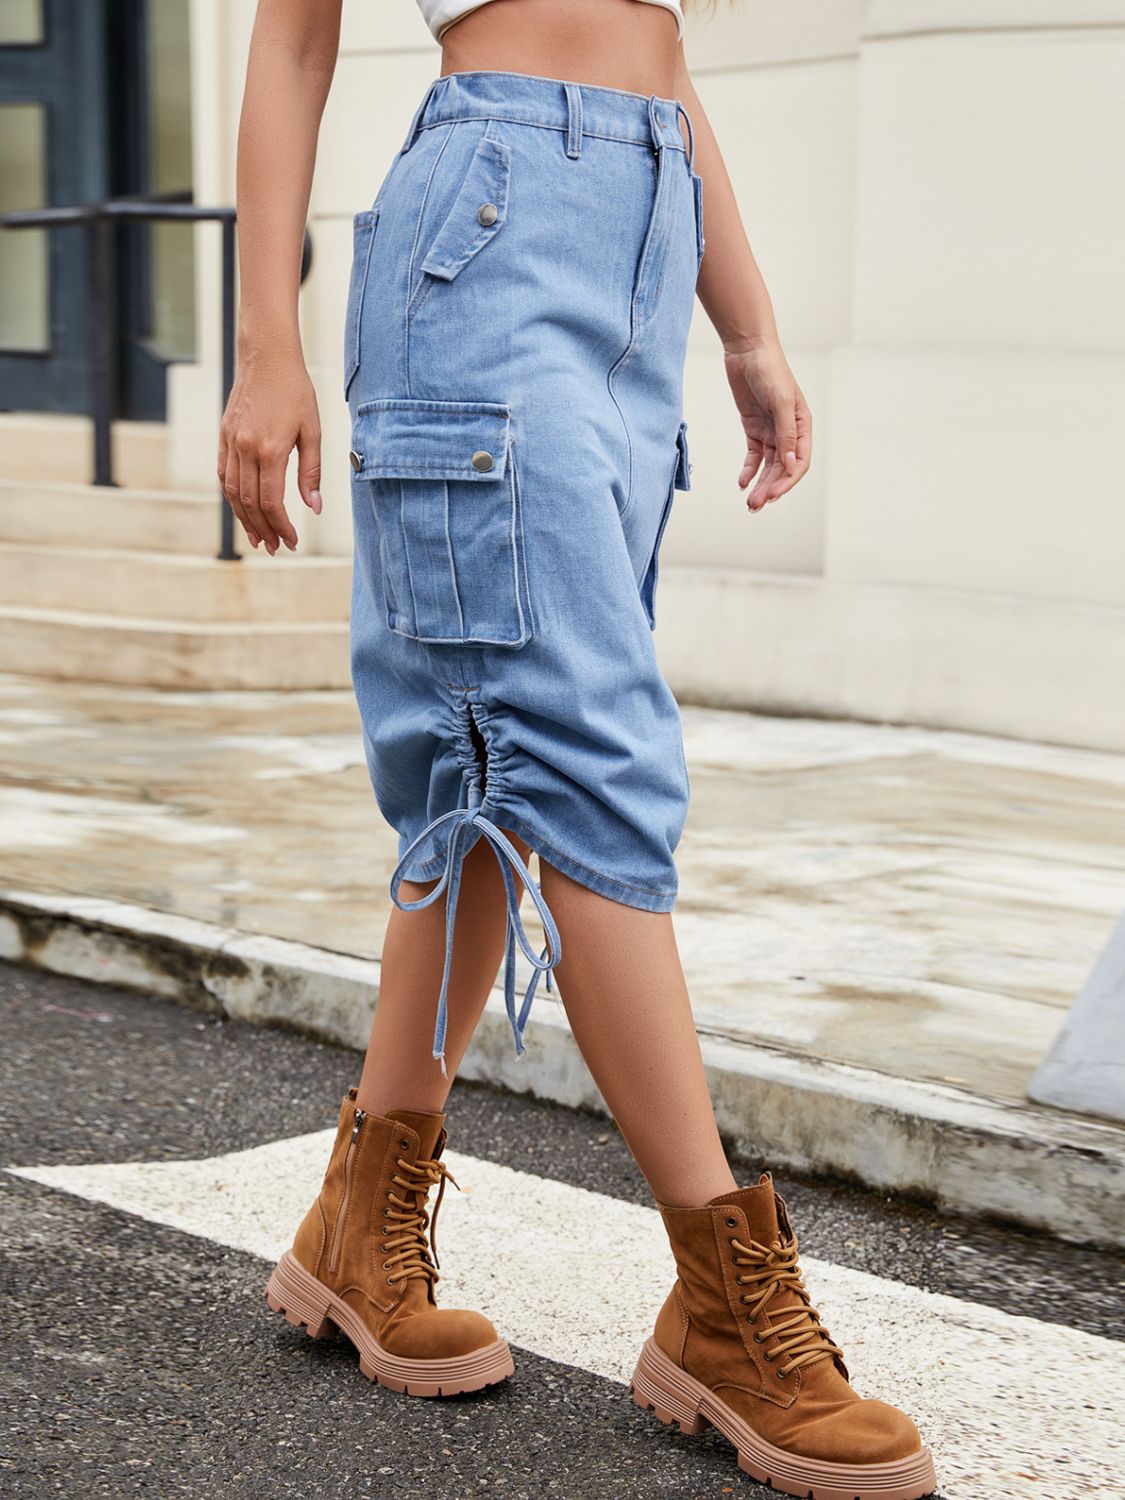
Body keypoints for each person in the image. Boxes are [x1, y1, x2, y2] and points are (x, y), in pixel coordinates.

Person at [218, 2, 937, 1495]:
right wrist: (263, 344)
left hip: (640, 238)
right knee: (583, 754)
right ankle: (724, 1298)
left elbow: (660, 62)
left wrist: (745, 328)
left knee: (484, 765)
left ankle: (363, 1217)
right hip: (474, 243)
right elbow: (290, 43)